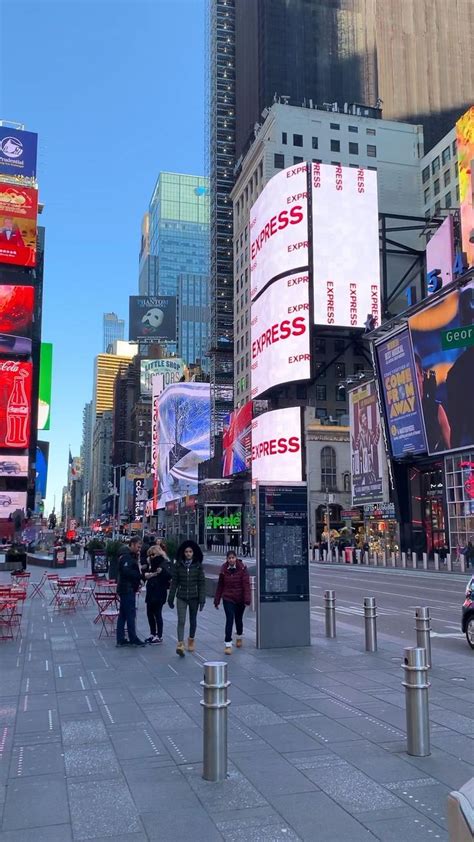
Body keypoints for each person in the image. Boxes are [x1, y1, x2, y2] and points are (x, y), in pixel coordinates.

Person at [168, 540, 206, 657]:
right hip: (181, 596)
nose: (188, 554)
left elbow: (201, 583)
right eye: (186, 552)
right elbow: (174, 583)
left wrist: (202, 599)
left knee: (193, 620)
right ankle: (180, 644)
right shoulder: (179, 566)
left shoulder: (198, 566)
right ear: (183, 553)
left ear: (193, 553)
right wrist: (171, 597)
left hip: (194, 597)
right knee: (181, 620)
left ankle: (191, 640)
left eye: (190, 551)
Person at [214, 550, 251, 654]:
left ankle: (239, 636)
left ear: (236, 558)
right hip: (228, 598)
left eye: (233, 558)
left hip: (240, 598)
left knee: (238, 619)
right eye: (229, 558)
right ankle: (228, 644)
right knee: (229, 619)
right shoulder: (223, 570)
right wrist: (217, 600)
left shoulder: (242, 568)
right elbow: (220, 586)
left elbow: (246, 584)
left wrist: (247, 599)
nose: (231, 560)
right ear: (227, 559)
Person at [116, 538, 145, 647]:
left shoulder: (128, 556)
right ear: (132, 545)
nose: (139, 549)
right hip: (127, 589)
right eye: (138, 546)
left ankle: (121, 638)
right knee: (130, 614)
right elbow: (126, 571)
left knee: (123, 614)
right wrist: (139, 576)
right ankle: (132, 638)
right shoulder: (126, 556)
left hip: (127, 588)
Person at [142, 542, 171, 644]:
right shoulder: (152, 565)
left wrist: (160, 572)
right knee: (149, 613)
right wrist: (152, 573)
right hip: (151, 591)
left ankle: (159, 635)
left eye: (153, 554)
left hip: (159, 592)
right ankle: (152, 634)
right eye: (150, 555)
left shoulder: (163, 563)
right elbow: (145, 575)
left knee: (157, 613)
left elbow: (168, 575)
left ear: (158, 554)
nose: (151, 557)